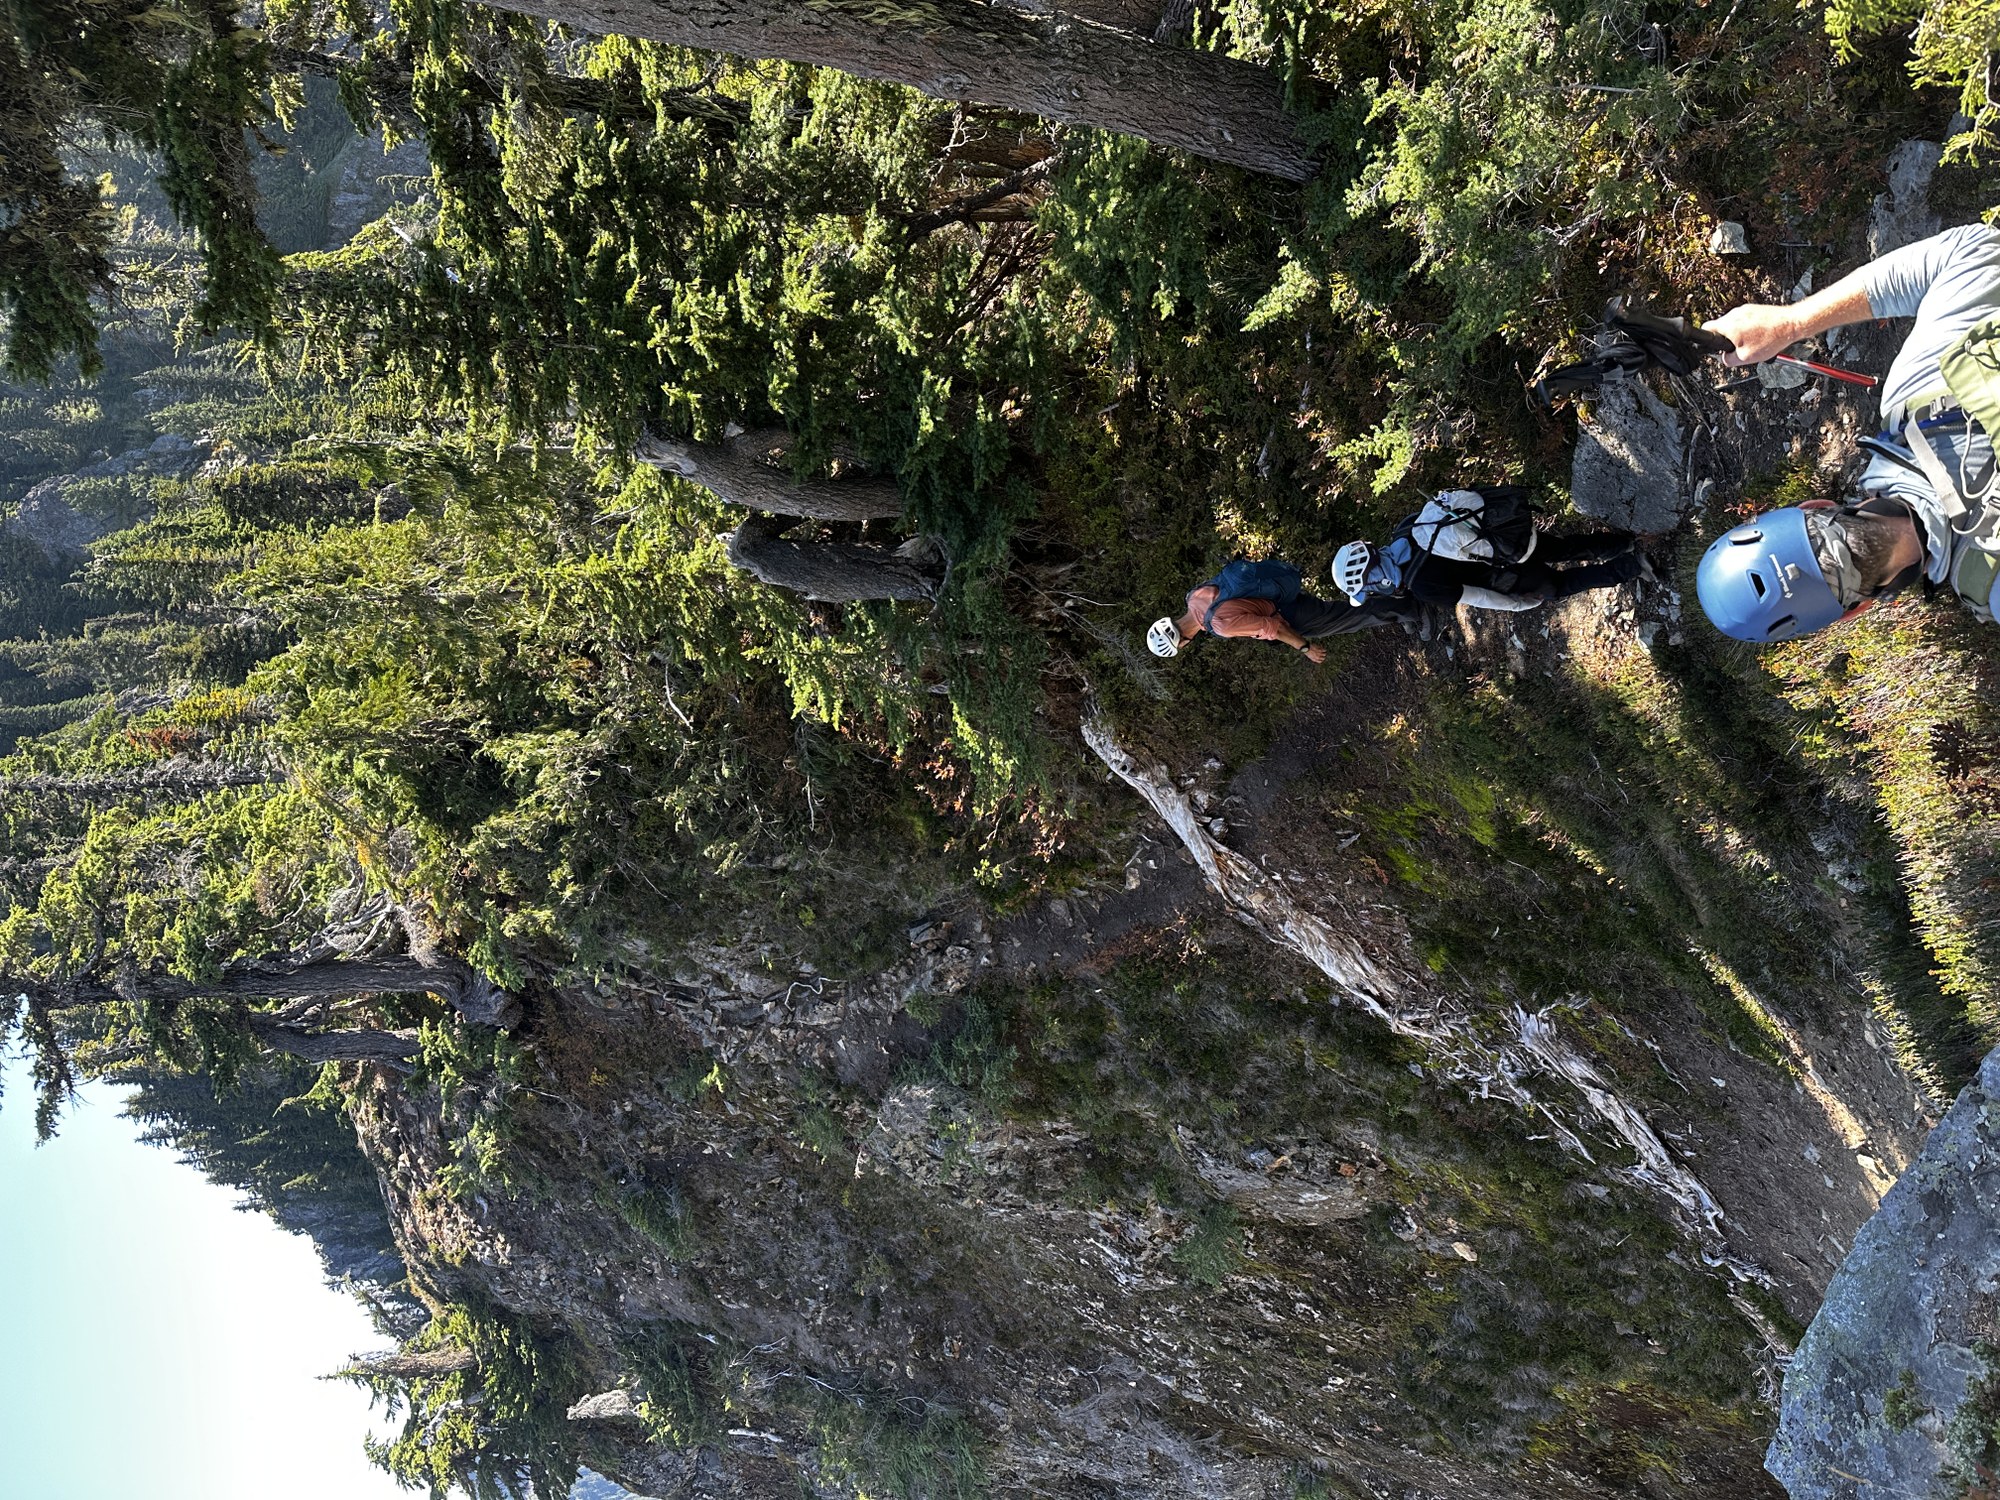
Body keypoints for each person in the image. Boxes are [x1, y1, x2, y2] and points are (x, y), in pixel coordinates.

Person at [1696, 222, 2000, 642]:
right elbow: (1972, 249)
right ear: (1815, 505)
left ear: (1855, 611)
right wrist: (1791, 323)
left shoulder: (1990, 581)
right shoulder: (1915, 389)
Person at [1146, 556, 1413, 664]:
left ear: (1182, 643)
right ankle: (1400, 606)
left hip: (1289, 613)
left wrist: (1305, 648)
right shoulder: (1193, 597)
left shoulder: (1220, 625)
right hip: (1277, 594)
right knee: (1347, 614)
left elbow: (1272, 628)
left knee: (1352, 617)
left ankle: (1411, 608)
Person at [1329, 524, 1645, 615]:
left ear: (1374, 578)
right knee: (1565, 547)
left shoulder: (1422, 584)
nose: (1375, 592)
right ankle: (1624, 543)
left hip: (1514, 575)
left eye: (1370, 588)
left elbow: (1478, 596)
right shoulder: (1407, 530)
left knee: (1562, 585)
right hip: (1512, 540)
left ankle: (1632, 566)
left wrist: (1519, 604)